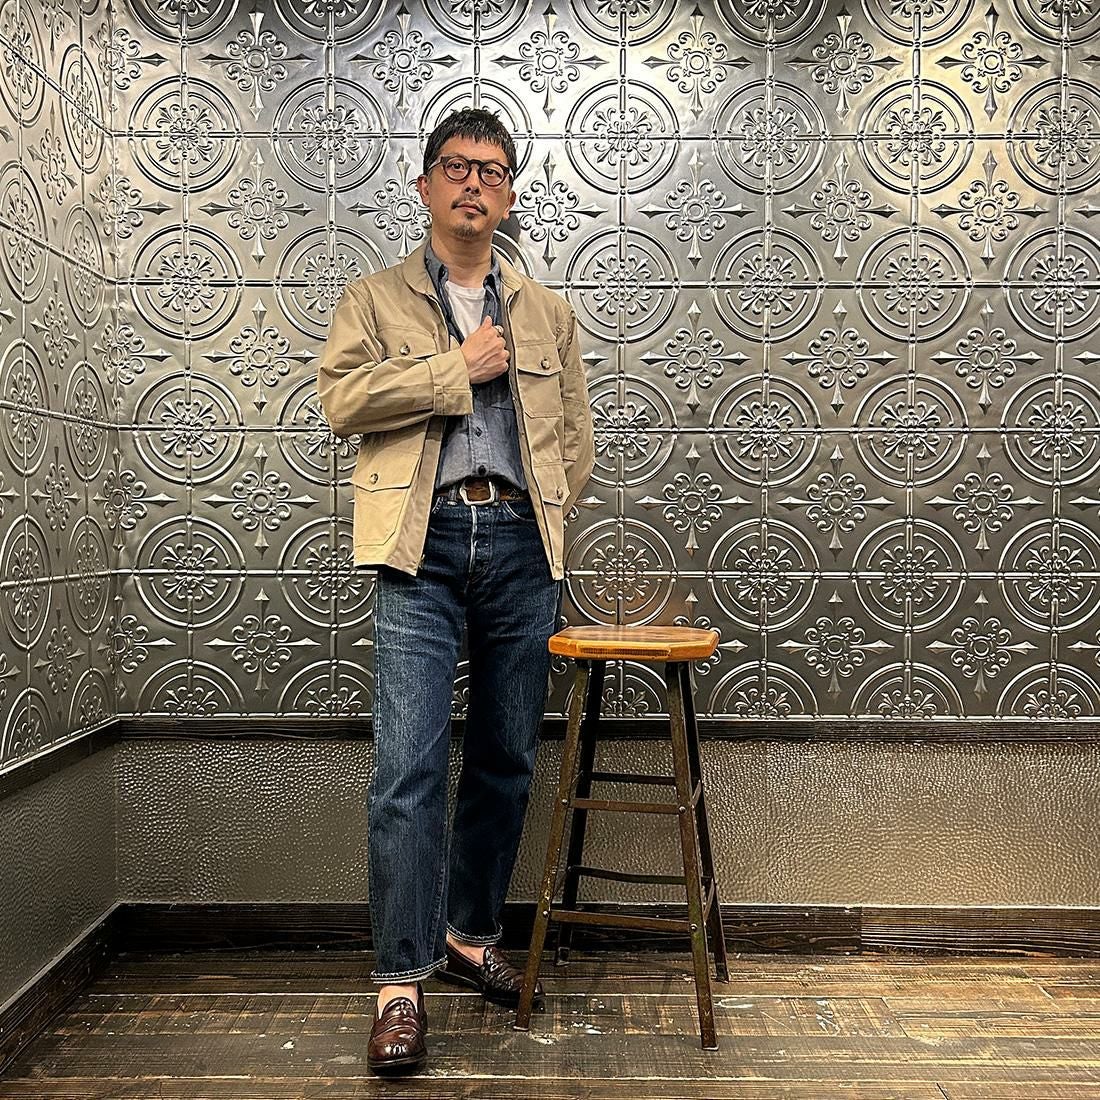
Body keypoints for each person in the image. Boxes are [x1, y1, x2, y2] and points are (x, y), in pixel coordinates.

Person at [317, 107, 595, 1075]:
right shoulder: (373, 298)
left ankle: (470, 935)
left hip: (521, 542)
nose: (473, 182)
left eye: (491, 170)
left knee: (507, 756)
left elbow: (574, 438)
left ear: (509, 195)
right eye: (455, 166)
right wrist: (453, 369)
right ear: (425, 185)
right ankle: (399, 982)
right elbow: (341, 401)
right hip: (420, 544)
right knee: (408, 766)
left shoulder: (546, 311)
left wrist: (540, 507)